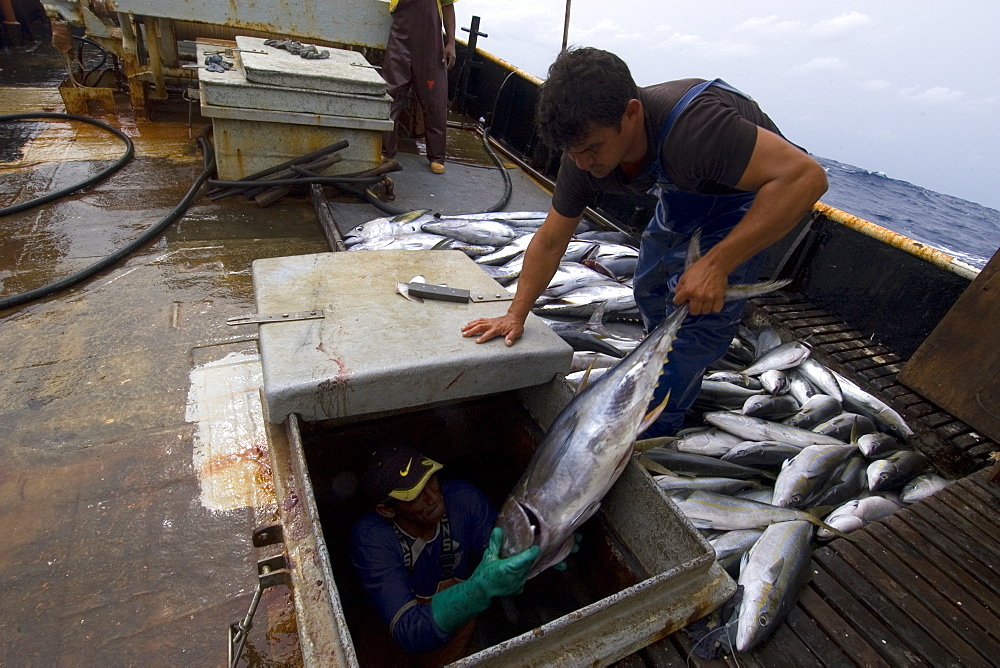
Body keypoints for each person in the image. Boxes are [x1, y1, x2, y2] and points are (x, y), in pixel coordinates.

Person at [461, 47, 828, 437]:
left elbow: (807, 179)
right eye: (573, 152)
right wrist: (516, 313)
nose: (583, 163)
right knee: (650, 287)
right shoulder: (581, 155)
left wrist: (717, 264)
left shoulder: (698, 130)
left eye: (593, 149)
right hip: (685, 185)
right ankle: (664, 364)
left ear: (632, 114)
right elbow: (551, 239)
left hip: (753, 192)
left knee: (695, 322)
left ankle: (658, 420)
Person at [349, 444, 538, 661]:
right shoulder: (371, 538)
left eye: (430, 479)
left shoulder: (463, 499)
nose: (433, 497)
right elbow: (408, 630)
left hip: (457, 637)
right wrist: (479, 589)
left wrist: (545, 542)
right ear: (387, 510)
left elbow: (507, 555)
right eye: (415, 495)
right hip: (394, 647)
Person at [380, 0, 457, 174]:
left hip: (431, 47)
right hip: (400, 42)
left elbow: (448, 6)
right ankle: (386, 151)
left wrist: (450, 42)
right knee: (390, 95)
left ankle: (437, 157)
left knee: (435, 100)